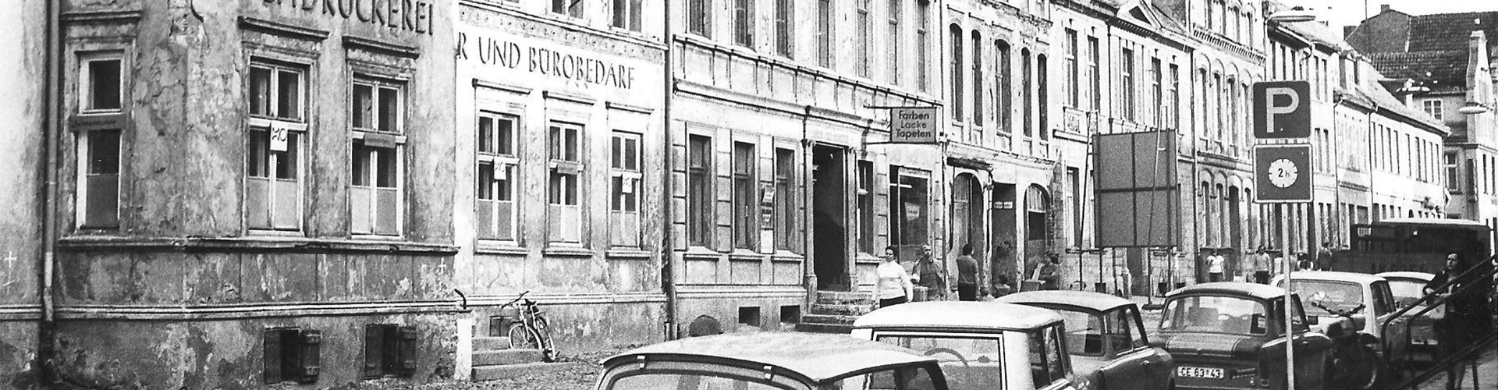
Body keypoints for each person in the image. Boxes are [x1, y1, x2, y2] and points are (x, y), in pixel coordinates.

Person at [1424, 253, 1473, 390]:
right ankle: (1450, 379)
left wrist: (1452, 296)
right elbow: (1428, 287)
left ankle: (1457, 385)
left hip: (1458, 318)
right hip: (1443, 319)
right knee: (1445, 352)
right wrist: (1429, 291)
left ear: (1459, 262)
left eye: (1454, 260)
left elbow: (1469, 295)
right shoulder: (1442, 276)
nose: (1450, 262)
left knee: (1459, 352)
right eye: (1448, 259)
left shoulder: (1465, 277)